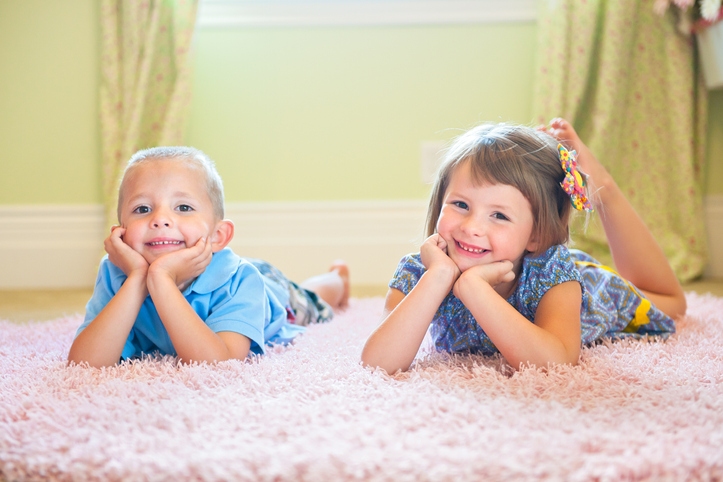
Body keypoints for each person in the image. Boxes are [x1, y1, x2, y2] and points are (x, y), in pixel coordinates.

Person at [361, 118, 686, 374]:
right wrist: (439, 276)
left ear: (535, 236)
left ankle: (605, 188)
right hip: (443, 273)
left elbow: (556, 364)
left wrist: (474, 288)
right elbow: (378, 362)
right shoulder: (421, 270)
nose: (472, 227)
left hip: (595, 293)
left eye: (499, 215)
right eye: (460, 204)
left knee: (673, 305)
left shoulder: (551, 270)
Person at [68, 147, 349, 368]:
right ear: (121, 232)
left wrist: (161, 278)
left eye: (183, 207)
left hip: (269, 289)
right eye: (142, 209)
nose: (161, 219)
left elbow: (220, 363)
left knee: (314, 301)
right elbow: (84, 363)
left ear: (218, 236)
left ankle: (337, 278)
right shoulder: (117, 273)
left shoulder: (241, 281)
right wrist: (140, 278)